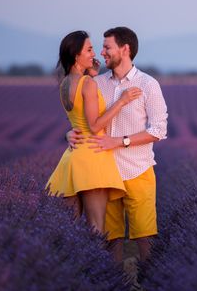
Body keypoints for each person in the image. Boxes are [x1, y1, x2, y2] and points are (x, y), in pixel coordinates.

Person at [67, 26, 168, 263]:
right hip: (104, 173)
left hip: (138, 170)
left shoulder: (148, 84)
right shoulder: (96, 83)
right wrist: (69, 133)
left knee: (145, 238)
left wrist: (119, 141)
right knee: (110, 240)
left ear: (125, 49)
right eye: (101, 48)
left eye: (107, 47)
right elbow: (86, 119)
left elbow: (158, 131)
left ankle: (149, 282)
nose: (101, 53)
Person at [46, 30, 143, 234]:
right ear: (76, 55)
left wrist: (91, 75)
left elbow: (77, 118)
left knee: (67, 232)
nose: (94, 54)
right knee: (97, 231)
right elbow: (95, 126)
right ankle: (99, 267)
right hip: (93, 158)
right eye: (89, 50)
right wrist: (122, 101)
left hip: (72, 159)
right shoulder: (87, 84)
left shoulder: (65, 83)